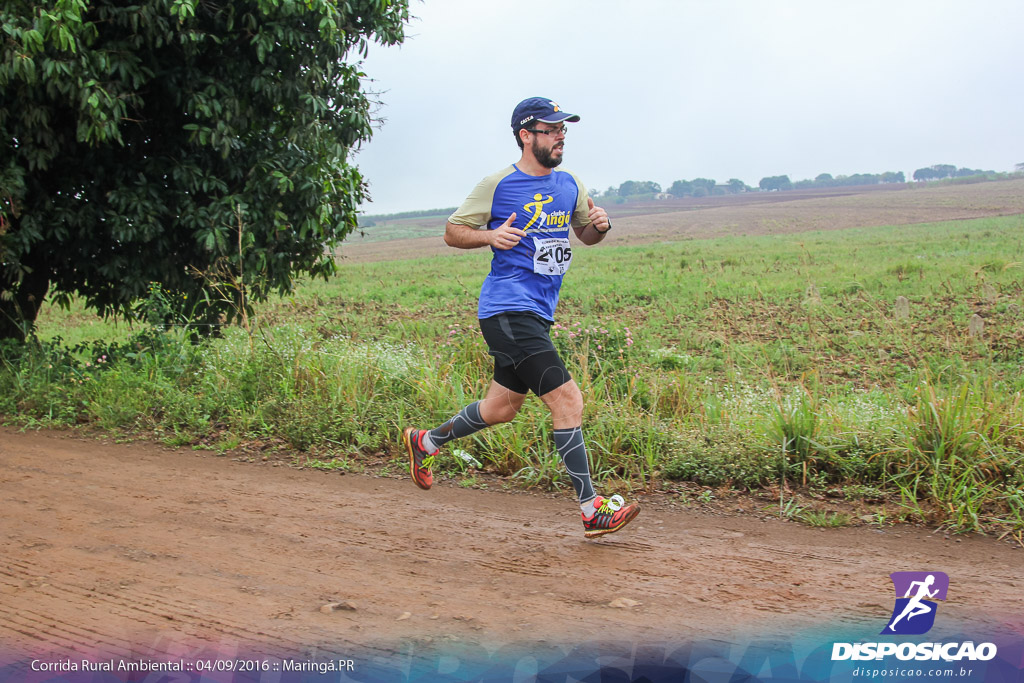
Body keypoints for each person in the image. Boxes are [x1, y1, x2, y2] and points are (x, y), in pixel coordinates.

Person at [401, 97, 640, 538]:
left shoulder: (570, 184)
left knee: (501, 408)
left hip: (537, 313)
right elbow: (453, 231)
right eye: (551, 129)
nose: (561, 136)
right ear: (526, 135)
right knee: (568, 401)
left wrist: (600, 226)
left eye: (564, 129)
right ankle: (592, 509)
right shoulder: (498, 184)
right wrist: (490, 234)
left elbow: (585, 235)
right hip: (507, 309)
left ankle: (426, 441)